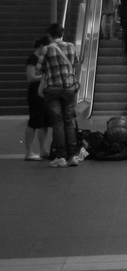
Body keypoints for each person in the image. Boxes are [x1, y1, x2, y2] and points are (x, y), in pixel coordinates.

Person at [36, 23, 81, 168]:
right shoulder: (71, 46)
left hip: (53, 89)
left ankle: (60, 156)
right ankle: (73, 156)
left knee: (58, 123)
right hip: (69, 88)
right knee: (69, 121)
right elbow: (76, 62)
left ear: (50, 35)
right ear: (62, 34)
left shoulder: (46, 49)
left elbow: (39, 69)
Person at [24, 36, 51, 161]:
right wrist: (44, 77)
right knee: (34, 122)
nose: (48, 49)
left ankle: (43, 150)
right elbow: (30, 77)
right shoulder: (33, 58)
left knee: (44, 122)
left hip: (43, 92)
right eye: (46, 46)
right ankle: (29, 152)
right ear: (41, 46)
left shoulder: (42, 60)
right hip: (35, 92)